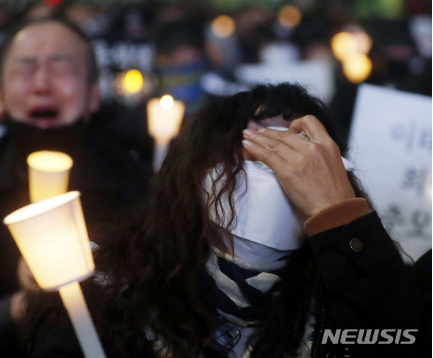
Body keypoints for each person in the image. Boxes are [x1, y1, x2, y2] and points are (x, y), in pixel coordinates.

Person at [26, 83, 430, 358]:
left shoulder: (364, 294)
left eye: (297, 152)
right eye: (249, 143)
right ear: (194, 169)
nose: (271, 161)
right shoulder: (102, 297)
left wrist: (343, 223)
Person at [0, 16, 151, 358]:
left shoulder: (134, 179)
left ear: (93, 96)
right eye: (25, 69)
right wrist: (25, 305)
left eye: (61, 68)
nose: (42, 84)